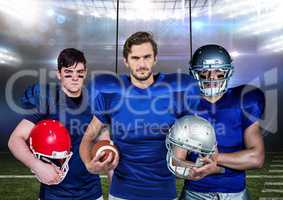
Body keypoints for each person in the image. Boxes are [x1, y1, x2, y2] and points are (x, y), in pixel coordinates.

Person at [80, 31, 200, 200]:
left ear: (155, 58)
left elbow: (191, 140)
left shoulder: (177, 91)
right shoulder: (111, 92)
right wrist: (88, 164)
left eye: (147, 57)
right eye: (135, 58)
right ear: (126, 61)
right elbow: (87, 138)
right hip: (122, 192)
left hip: (164, 192)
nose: (142, 64)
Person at [8, 48, 116, 200]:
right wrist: (37, 165)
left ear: (85, 73)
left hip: (91, 193)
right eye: (68, 72)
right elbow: (15, 139)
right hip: (54, 193)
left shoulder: (95, 103)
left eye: (79, 72)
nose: (74, 77)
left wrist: (114, 191)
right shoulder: (48, 101)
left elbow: (105, 147)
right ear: (59, 74)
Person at [176, 44, 265, 200]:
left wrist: (215, 160)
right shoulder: (184, 104)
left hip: (235, 192)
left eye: (218, 71)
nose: (211, 76)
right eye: (205, 71)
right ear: (195, 73)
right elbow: (177, 162)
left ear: (228, 71)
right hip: (195, 192)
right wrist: (208, 168)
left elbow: (256, 158)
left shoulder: (244, 100)